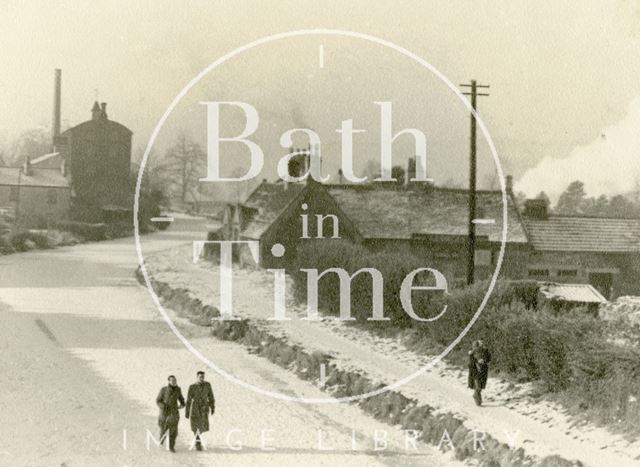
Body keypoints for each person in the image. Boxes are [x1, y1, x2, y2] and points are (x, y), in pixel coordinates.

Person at [185, 371, 216, 451]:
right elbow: (188, 400)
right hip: (195, 408)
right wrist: (187, 411)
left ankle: (198, 440)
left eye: (203, 377)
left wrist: (212, 407)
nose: (202, 378)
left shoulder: (207, 385)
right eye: (200, 377)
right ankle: (197, 443)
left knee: (202, 426)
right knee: (195, 426)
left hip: (204, 408)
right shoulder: (192, 387)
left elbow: (211, 396)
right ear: (197, 377)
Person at [156, 375, 185, 452]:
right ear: (168, 381)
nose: (174, 382)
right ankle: (161, 441)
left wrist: (182, 404)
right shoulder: (164, 389)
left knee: (173, 431)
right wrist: (163, 406)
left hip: (174, 413)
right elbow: (158, 400)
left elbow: (181, 399)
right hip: (164, 413)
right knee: (163, 430)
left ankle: (171, 446)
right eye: (172, 380)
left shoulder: (178, 389)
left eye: (175, 380)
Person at [468, 340, 491, 406]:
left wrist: (484, 361)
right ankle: (478, 399)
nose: (482, 344)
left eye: (483, 343)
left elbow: (489, 359)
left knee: (481, 384)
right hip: (475, 369)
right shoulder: (473, 351)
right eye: (481, 343)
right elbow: (471, 360)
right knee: (477, 384)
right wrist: (477, 361)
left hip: (483, 369)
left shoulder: (486, 350)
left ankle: (477, 395)